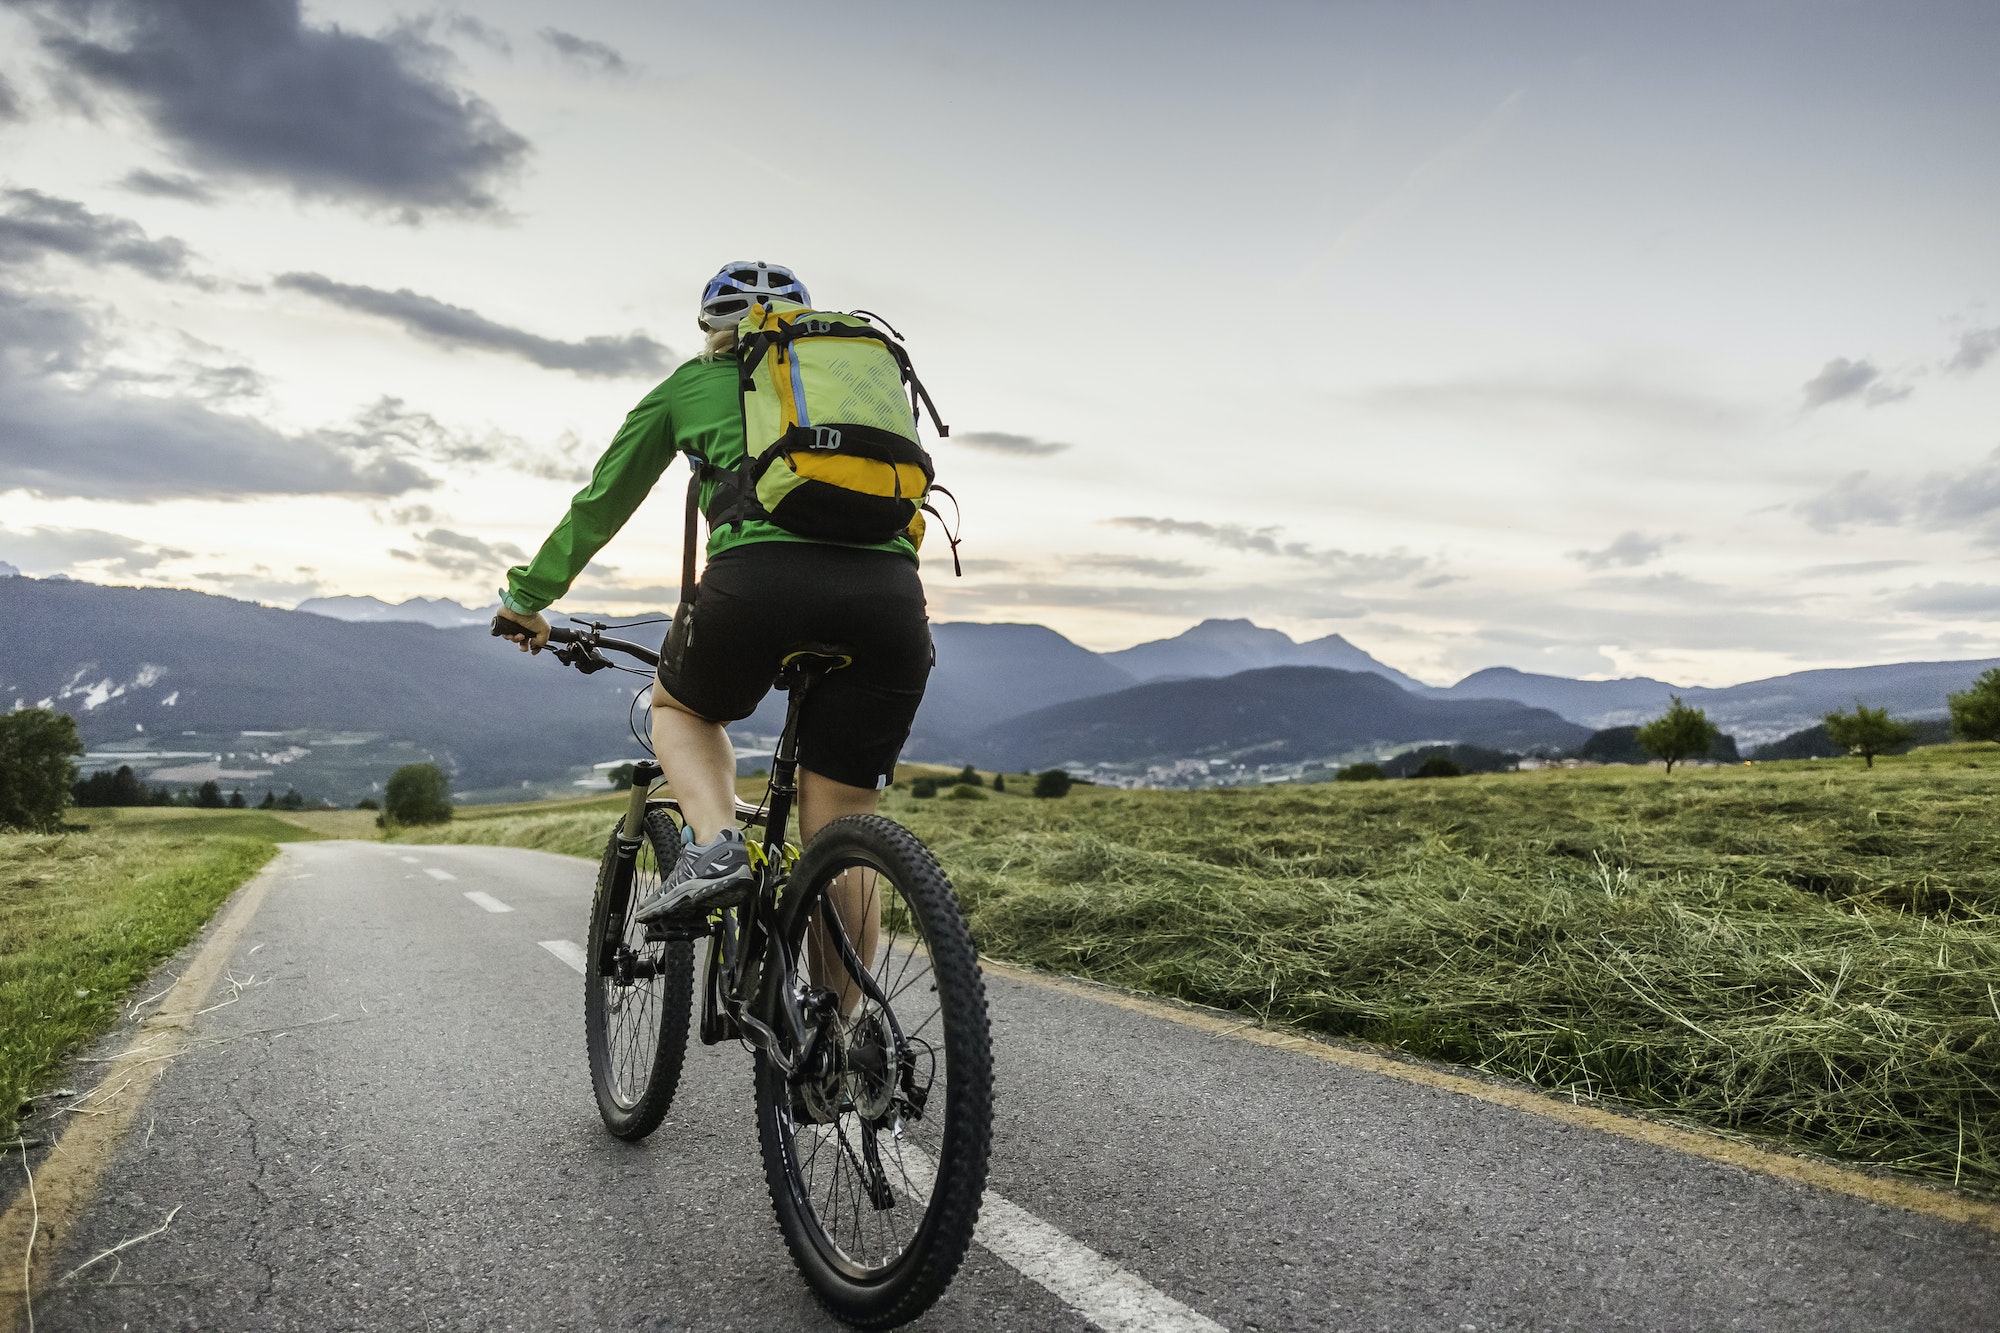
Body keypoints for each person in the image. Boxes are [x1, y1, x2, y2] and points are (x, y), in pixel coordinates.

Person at [493, 262, 933, 927]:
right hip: (891, 598)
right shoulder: (855, 386)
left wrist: (526, 598)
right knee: (840, 832)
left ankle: (717, 844)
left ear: (710, 327)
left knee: (680, 709)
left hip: (756, 584)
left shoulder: (689, 385)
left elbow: (601, 504)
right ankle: (846, 1030)